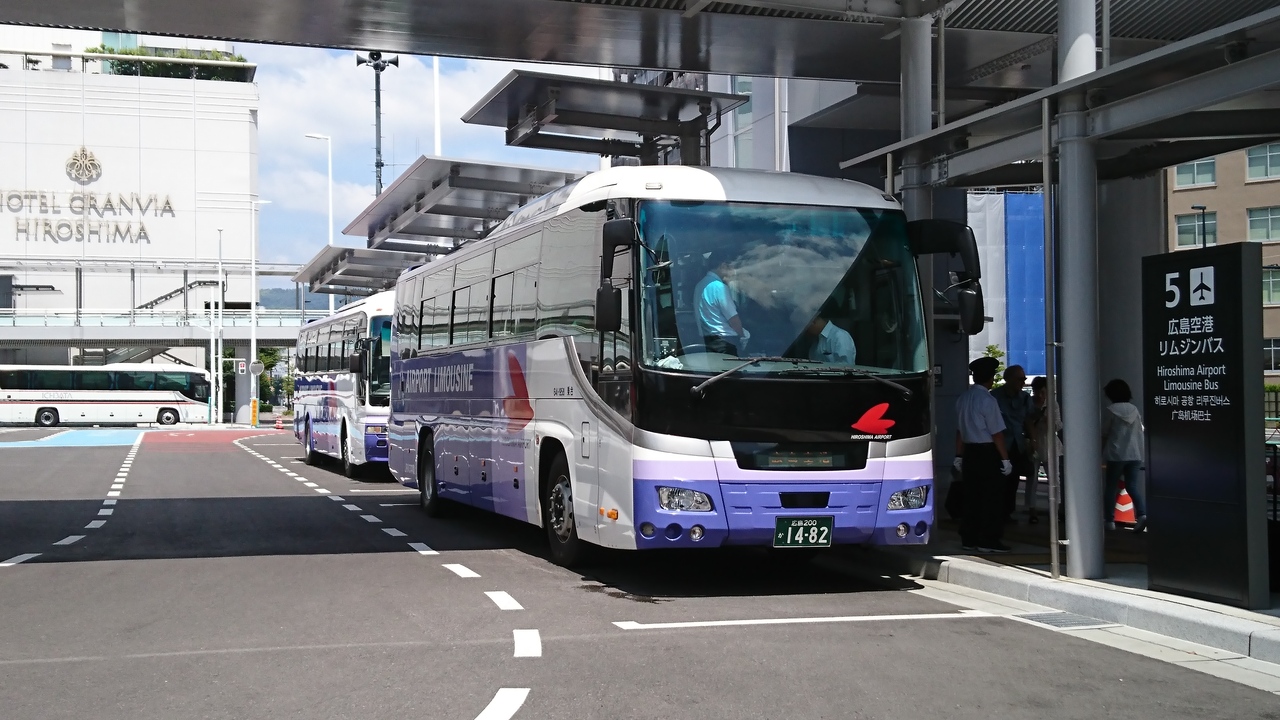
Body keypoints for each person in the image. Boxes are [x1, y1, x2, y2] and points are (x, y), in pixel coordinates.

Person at [954, 356, 1014, 553]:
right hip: (987, 452)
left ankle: (968, 538)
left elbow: (960, 431)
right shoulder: (988, 401)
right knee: (991, 498)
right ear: (990, 378)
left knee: (971, 497)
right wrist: (1005, 459)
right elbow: (997, 433)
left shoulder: (963, 398)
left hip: (969, 452)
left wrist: (958, 456)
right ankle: (988, 540)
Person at [1102, 378, 1148, 532]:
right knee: (1132, 486)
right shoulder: (1134, 410)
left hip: (1116, 455)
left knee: (1110, 487)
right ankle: (1142, 514)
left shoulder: (1111, 410)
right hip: (1134, 454)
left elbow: (1104, 433)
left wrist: (1100, 452)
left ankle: (1109, 521)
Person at [994, 365, 1035, 524]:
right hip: (1000, 445)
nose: (1023, 382)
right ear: (1008, 379)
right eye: (1020, 379)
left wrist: (1033, 441)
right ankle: (997, 512)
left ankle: (1008, 512)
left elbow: (1028, 420)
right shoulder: (995, 396)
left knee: (1013, 481)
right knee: (998, 481)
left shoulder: (1025, 398)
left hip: (1018, 445)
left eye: (1024, 379)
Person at [693, 254, 748, 356]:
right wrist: (742, 336)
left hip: (707, 341)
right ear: (722, 266)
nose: (732, 272)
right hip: (726, 342)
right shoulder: (720, 287)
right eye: (730, 267)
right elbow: (733, 319)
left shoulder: (699, 285)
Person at [1027, 376, 1062, 523]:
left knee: (1054, 479)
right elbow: (1026, 422)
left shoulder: (1052, 404)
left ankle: (1055, 509)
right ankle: (1032, 509)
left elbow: (1058, 425)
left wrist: (1048, 420)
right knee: (1032, 479)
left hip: (1050, 444)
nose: (1040, 395)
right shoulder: (1030, 403)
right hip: (1034, 444)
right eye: (1037, 392)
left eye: (1043, 392)